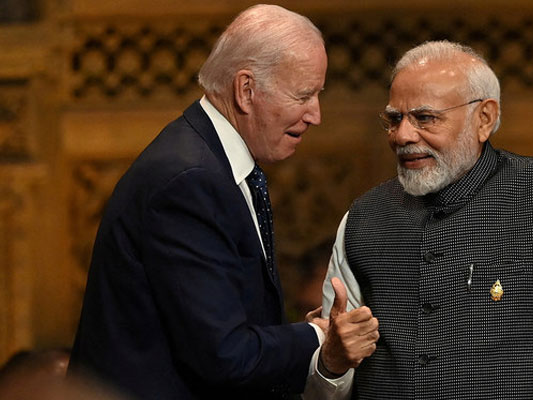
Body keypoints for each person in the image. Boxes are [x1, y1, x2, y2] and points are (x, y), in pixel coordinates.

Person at [69, 5, 377, 399]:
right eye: (303, 95)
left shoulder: (210, 162)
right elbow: (224, 354)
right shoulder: (189, 181)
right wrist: (318, 335)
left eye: (318, 94)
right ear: (246, 90)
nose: (316, 114)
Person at [309, 40, 533, 399]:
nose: (402, 135)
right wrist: (331, 363)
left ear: (484, 118)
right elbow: (325, 389)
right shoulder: (362, 218)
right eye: (394, 119)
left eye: (424, 118)